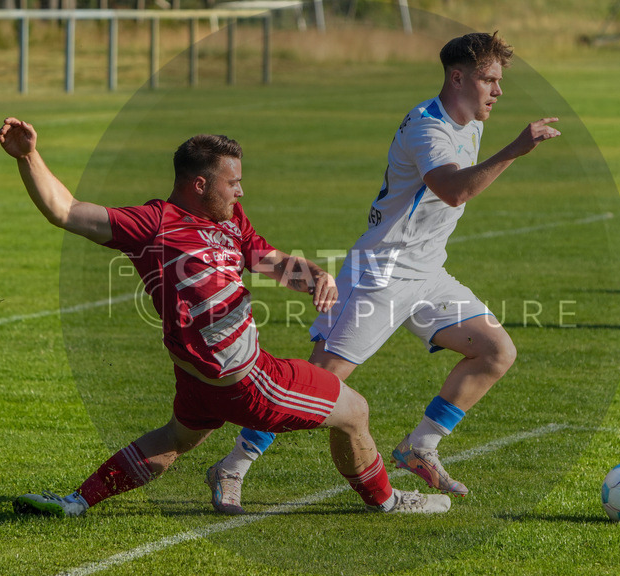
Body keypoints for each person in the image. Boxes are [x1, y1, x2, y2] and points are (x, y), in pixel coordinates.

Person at [0, 117, 451, 516]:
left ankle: (76, 502)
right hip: (244, 378)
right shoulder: (155, 224)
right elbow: (67, 210)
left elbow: (268, 259)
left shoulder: (231, 221)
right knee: (355, 410)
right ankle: (388, 501)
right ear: (199, 184)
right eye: (232, 182)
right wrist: (29, 156)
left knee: (176, 437)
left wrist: (313, 275)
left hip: (198, 377)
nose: (240, 190)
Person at [207, 31, 561, 513]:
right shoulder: (426, 128)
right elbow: (452, 190)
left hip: (428, 273)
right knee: (315, 385)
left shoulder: (472, 120)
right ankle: (232, 465)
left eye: (500, 81)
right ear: (457, 78)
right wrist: (513, 151)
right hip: (380, 274)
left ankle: (421, 447)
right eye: (489, 80)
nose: (498, 91)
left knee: (496, 351)